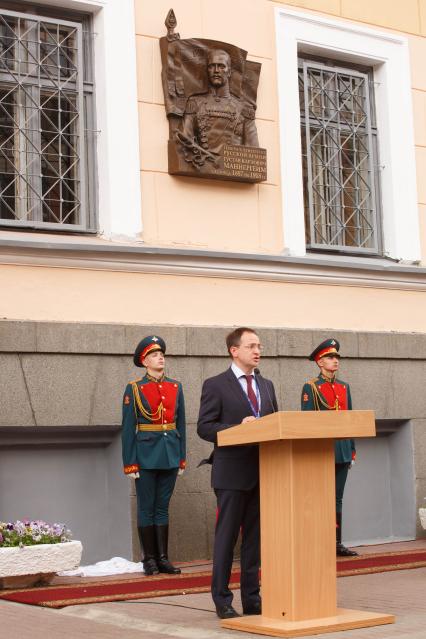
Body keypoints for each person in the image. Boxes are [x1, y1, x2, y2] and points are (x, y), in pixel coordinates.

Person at [197, 327, 278, 619]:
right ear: (235, 350)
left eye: (260, 346)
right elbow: (204, 427)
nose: (258, 351)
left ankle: (252, 599)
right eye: (252, 346)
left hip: (262, 473)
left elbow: (275, 425)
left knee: (254, 542)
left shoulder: (267, 385)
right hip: (231, 475)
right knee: (226, 539)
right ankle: (222, 600)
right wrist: (237, 429)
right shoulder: (215, 384)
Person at [121, 335, 186, 575]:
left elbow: (181, 424)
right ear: (145, 361)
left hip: (170, 454)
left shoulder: (175, 386)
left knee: (162, 507)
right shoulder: (135, 388)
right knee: (146, 507)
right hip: (145, 455)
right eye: (155, 355)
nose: (160, 358)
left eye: (161, 354)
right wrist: (130, 463)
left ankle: (163, 558)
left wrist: (181, 457)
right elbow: (128, 428)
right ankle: (148, 559)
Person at [301, 338, 358, 557]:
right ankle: (319, 540)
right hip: (322, 449)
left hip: (342, 449)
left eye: (336, 358)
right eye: (330, 357)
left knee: (337, 497)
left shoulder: (344, 387)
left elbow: (350, 418)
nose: (335, 361)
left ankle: (336, 543)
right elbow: (307, 422)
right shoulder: (311, 387)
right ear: (319, 362)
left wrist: (352, 449)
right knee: (319, 496)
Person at [180, 48, 259, 157]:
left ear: (229, 71)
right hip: (202, 165)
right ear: (207, 70)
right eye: (212, 66)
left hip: (234, 167)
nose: (216, 70)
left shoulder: (244, 108)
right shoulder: (195, 103)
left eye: (221, 66)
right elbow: (185, 144)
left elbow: (254, 153)